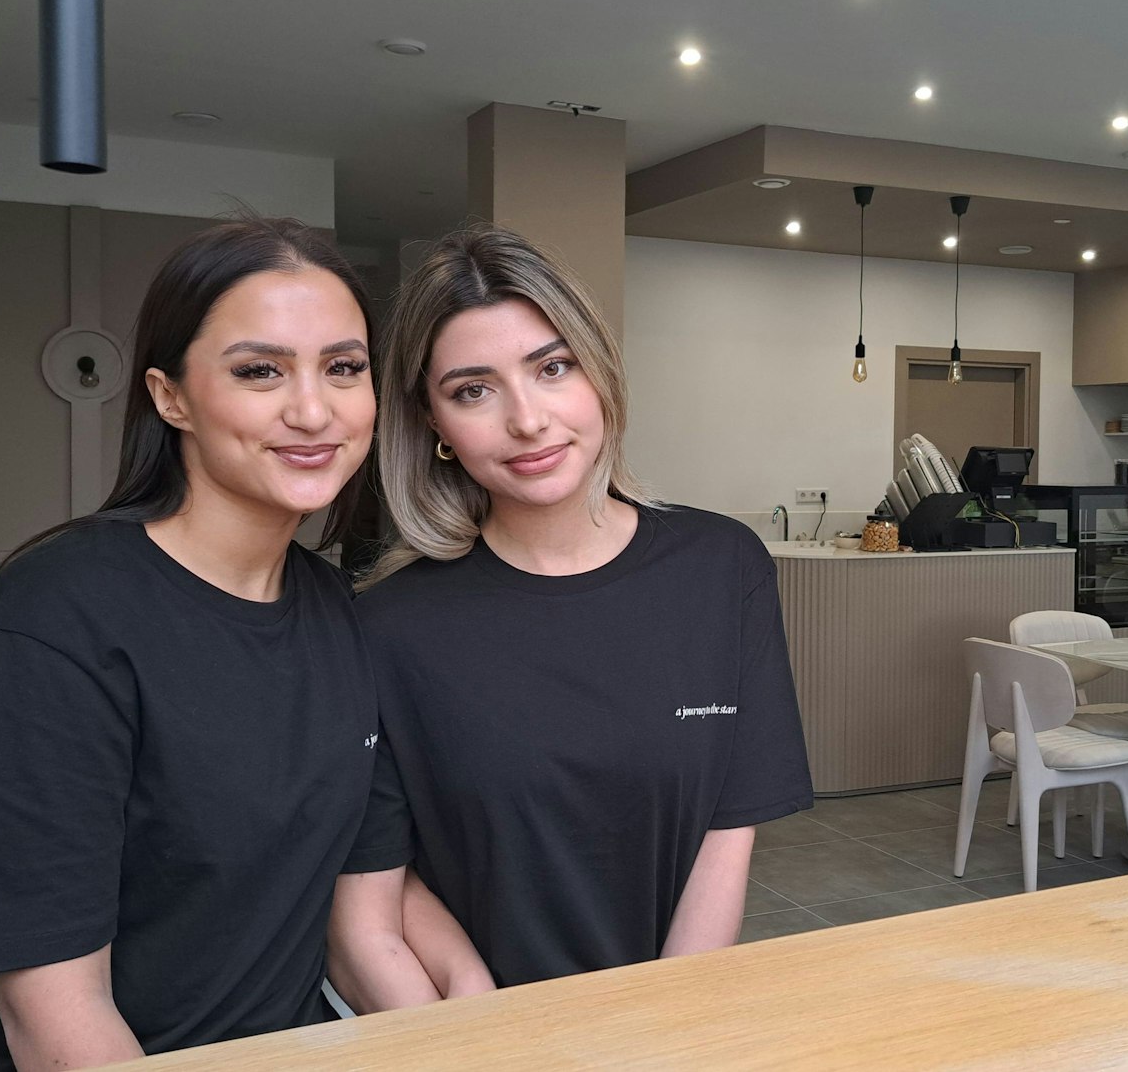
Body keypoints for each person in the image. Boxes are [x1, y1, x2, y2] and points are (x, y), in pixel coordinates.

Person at [0, 218, 402, 1069]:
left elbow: (360, 931)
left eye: (344, 368)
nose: (314, 409)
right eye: (259, 370)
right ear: (171, 396)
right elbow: (58, 1031)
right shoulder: (48, 630)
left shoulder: (334, 606)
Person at [333, 225, 812, 1000]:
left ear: (599, 373)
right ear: (433, 424)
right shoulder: (387, 626)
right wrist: (480, 1030)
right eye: (472, 389)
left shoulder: (722, 567)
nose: (527, 419)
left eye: (552, 367)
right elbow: (382, 881)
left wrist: (665, 1032)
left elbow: (726, 834)